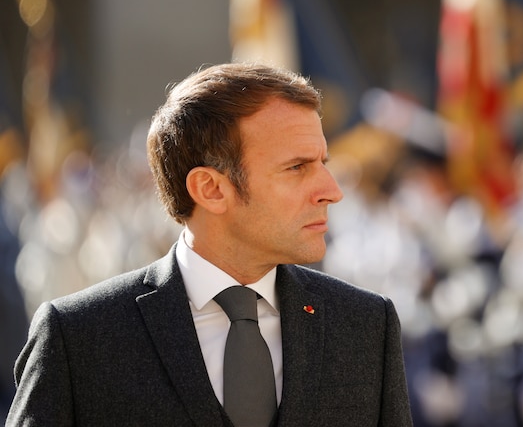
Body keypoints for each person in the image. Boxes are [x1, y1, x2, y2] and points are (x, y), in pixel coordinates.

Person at [7, 62, 414, 427]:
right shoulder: (78, 338)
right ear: (211, 189)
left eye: (322, 163)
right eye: (296, 168)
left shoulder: (365, 326)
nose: (332, 191)